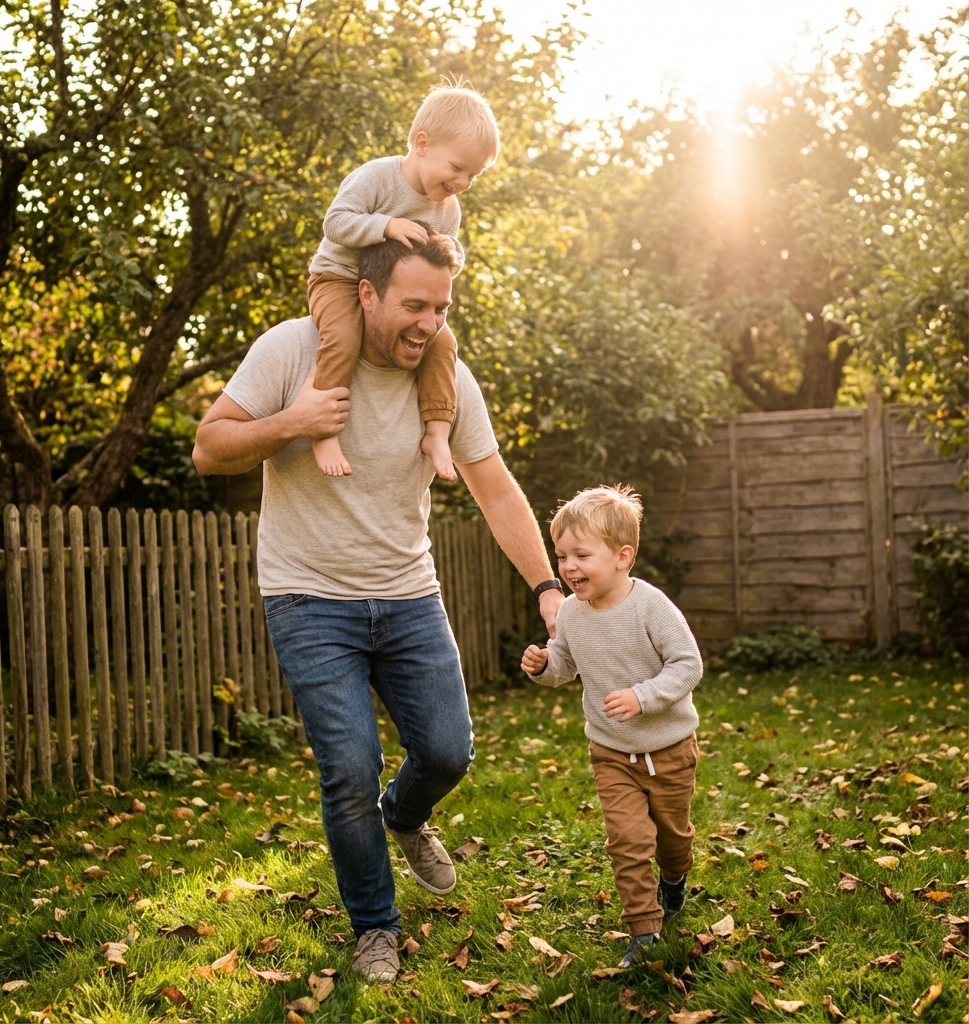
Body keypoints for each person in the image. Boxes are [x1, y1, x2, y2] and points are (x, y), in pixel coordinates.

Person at [192, 228, 564, 982]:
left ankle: (405, 815)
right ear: (366, 294)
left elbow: (494, 488)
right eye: (413, 305)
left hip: (407, 595)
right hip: (307, 597)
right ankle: (375, 927)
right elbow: (209, 447)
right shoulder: (293, 350)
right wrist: (293, 423)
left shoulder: (445, 377)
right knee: (350, 769)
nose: (428, 324)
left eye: (442, 307)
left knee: (447, 751)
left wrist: (549, 588)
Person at [521, 485, 703, 968]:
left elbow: (688, 665)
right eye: (562, 556)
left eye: (582, 554)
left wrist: (642, 697)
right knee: (627, 841)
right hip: (611, 752)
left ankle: (675, 878)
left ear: (623, 557)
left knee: (672, 839)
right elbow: (565, 664)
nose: (569, 567)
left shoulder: (651, 606)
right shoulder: (570, 615)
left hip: (669, 748)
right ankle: (643, 931)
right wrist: (544, 666)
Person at [307, 78, 500, 481]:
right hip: (339, 277)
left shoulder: (448, 208)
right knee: (342, 337)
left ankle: (436, 431)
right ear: (422, 143)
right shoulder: (377, 178)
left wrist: (453, 256)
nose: (462, 183)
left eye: (474, 176)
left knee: (443, 341)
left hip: (395, 297)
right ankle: (323, 430)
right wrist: (386, 225)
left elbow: (441, 264)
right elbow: (335, 222)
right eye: (457, 168)